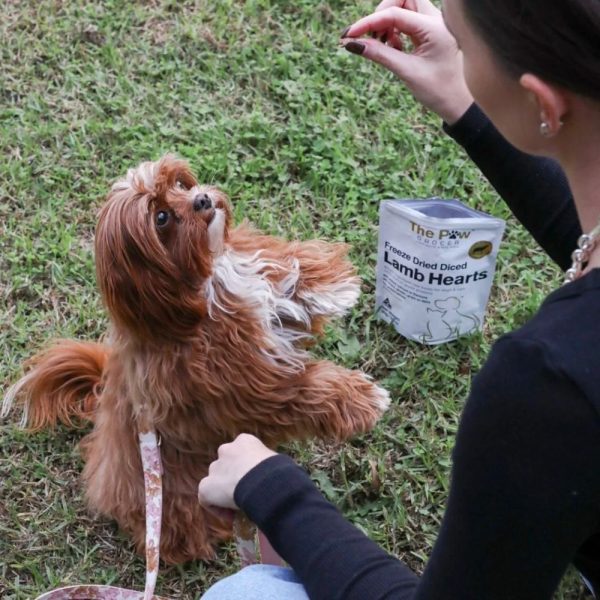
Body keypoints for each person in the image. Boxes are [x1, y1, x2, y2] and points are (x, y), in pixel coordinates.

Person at [198, 0, 600, 597]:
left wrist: (270, 484)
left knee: (246, 593)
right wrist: (461, 103)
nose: (453, 49)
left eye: (462, 45)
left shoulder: (548, 385)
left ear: (543, 103)